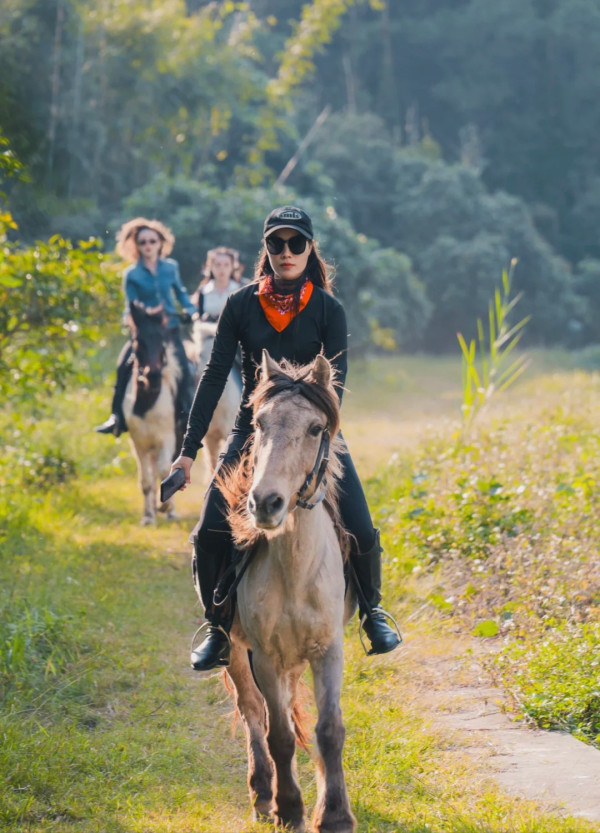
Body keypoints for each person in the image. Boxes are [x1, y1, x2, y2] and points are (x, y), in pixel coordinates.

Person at [170, 205, 401, 671]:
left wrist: (315, 432)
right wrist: (187, 452)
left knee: (359, 522)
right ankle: (217, 627)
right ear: (266, 250)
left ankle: (372, 613)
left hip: (315, 435)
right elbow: (214, 376)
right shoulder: (240, 304)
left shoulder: (328, 310)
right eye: (277, 243)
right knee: (209, 531)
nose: (287, 251)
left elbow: (334, 387)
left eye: (296, 243)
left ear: (309, 248)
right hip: (253, 431)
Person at [95, 218, 198, 437]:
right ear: (136, 245)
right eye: (143, 242)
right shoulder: (131, 274)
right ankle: (117, 416)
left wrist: (190, 310)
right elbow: (129, 305)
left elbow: (180, 293)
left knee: (186, 369)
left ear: (161, 242)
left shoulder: (171, 267)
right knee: (123, 366)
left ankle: (189, 414)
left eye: (153, 241)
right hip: (145, 333)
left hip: (169, 330)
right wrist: (131, 318)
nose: (148, 246)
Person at [191, 246, 242, 320]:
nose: (222, 268)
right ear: (211, 267)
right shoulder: (203, 291)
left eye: (226, 265)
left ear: (232, 267)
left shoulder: (240, 291)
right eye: (218, 264)